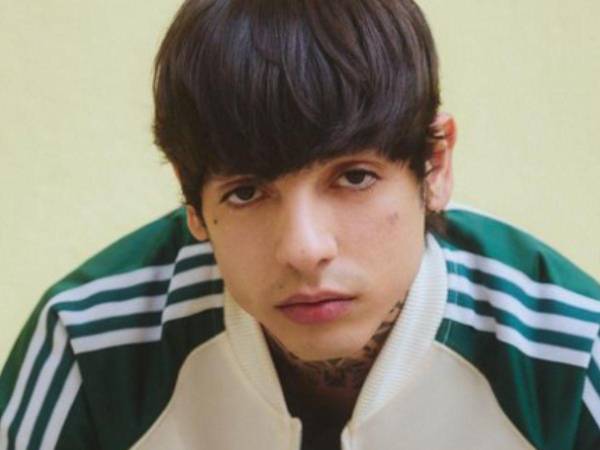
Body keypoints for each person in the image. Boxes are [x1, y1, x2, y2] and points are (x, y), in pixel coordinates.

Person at [1, 0, 599, 449]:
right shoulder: (90, 345)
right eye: (246, 192)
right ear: (192, 202)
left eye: (354, 177)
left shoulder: (569, 354)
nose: (304, 248)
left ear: (434, 165)